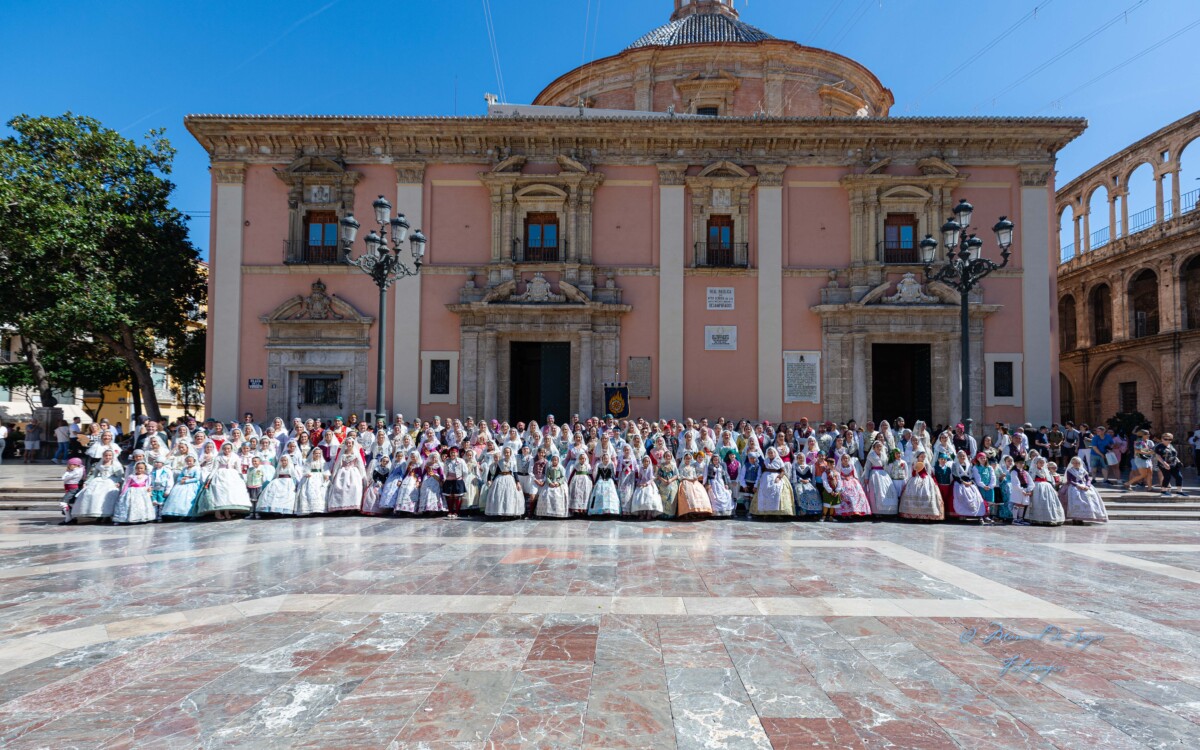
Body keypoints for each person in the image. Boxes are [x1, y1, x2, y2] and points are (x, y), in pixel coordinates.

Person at [73, 449, 123, 522]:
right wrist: (87, 482)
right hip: (99, 480)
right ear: (103, 456)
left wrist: (119, 482)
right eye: (106, 455)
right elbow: (94, 475)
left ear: (112, 456)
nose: (108, 457)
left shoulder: (116, 465)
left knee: (107, 494)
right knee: (92, 493)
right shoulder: (99, 464)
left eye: (110, 455)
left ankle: (107, 515)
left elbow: (120, 475)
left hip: (111, 480)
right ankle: (98, 514)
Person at [751, 446, 794, 519]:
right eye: (769, 453)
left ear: (775, 453)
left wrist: (779, 477)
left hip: (776, 476)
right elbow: (762, 470)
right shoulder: (766, 460)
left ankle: (777, 513)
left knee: (777, 491)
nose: (770, 454)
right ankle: (765, 512)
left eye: (772, 453)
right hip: (766, 478)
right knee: (763, 491)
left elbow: (783, 471)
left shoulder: (779, 460)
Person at [899, 450, 943, 521]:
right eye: (921, 456)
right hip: (916, 478)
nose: (923, 458)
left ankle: (927, 515)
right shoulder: (915, 463)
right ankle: (916, 514)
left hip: (926, 479)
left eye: (924, 456)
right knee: (915, 492)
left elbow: (929, 473)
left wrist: (933, 481)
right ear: (918, 457)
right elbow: (913, 474)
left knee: (927, 493)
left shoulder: (926, 463)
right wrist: (916, 470)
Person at [1064, 457, 1109, 524]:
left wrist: (1087, 486)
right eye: (1074, 463)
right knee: (1075, 496)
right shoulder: (1070, 471)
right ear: (1072, 463)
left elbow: (1088, 479)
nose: (1076, 464)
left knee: (1089, 496)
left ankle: (1083, 517)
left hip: (1084, 485)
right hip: (1074, 485)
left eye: (1078, 463)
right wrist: (1077, 485)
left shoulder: (1083, 470)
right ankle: (1075, 518)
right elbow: (1069, 480)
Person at [485, 445, 524, 519]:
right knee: (501, 496)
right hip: (500, 479)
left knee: (509, 496)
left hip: (509, 478)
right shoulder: (500, 462)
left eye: (508, 452)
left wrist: (517, 482)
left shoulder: (513, 462)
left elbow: (515, 473)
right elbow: (497, 472)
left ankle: (509, 513)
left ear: (510, 453)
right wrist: (492, 481)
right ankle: (502, 513)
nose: (506, 454)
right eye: (505, 452)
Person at [113, 461, 157, 525]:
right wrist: (123, 493)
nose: (139, 470)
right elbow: (126, 485)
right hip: (132, 491)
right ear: (135, 468)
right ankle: (130, 517)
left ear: (145, 469)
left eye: (141, 468)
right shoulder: (131, 476)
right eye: (138, 468)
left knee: (141, 504)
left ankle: (142, 517)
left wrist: (149, 490)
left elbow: (148, 485)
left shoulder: (146, 477)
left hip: (142, 492)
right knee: (132, 504)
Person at [675, 454, 713, 520]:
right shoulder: (682, 467)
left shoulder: (692, 467)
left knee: (700, 493)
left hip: (693, 482)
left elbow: (694, 475)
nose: (688, 460)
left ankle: (696, 512)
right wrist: (689, 479)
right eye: (686, 458)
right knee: (688, 495)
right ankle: (687, 513)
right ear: (684, 459)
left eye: (689, 459)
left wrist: (695, 478)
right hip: (685, 482)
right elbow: (680, 476)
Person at [950, 451, 986, 521]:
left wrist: (970, 482)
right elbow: (955, 475)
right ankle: (962, 514)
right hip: (959, 482)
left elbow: (972, 475)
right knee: (960, 495)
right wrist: (963, 482)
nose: (962, 457)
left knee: (976, 496)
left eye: (964, 456)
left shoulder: (969, 464)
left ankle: (977, 514)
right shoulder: (955, 464)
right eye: (961, 456)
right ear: (958, 457)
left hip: (969, 483)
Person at [834, 452, 871, 519]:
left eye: (847, 458)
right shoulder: (839, 467)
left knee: (859, 493)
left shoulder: (851, 466)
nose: (845, 459)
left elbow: (855, 475)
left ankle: (855, 511)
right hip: (842, 481)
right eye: (844, 458)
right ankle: (844, 513)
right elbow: (837, 476)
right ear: (841, 460)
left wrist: (854, 480)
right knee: (844, 494)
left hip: (852, 481)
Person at [630, 454, 663, 520]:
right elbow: (640, 477)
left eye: (647, 461)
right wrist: (638, 483)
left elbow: (651, 478)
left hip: (649, 484)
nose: (646, 463)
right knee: (639, 497)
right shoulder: (641, 468)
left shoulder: (650, 468)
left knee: (649, 497)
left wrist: (646, 484)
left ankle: (649, 513)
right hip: (642, 483)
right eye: (644, 461)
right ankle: (642, 513)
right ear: (642, 462)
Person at [790, 453, 823, 518]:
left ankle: (812, 512)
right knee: (800, 492)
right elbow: (795, 476)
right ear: (797, 459)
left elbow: (809, 475)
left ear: (804, 458)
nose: (800, 459)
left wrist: (808, 480)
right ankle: (802, 512)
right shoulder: (794, 466)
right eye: (799, 458)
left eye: (801, 457)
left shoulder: (807, 466)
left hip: (807, 482)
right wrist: (801, 480)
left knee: (813, 492)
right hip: (799, 483)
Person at [537, 454, 570, 518]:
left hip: (558, 483)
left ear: (558, 461)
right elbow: (547, 476)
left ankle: (558, 512)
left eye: (556, 460)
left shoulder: (560, 468)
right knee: (547, 494)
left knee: (558, 495)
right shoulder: (549, 468)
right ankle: (547, 513)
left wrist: (559, 483)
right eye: (553, 460)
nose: (554, 461)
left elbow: (563, 477)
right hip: (551, 483)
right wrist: (549, 483)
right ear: (551, 461)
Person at [589, 452, 622, 517]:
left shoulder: (611, 465)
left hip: (609, 481)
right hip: (601, 481)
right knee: (600, 494)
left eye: (607, 458)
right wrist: (595, 483)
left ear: (608, 459)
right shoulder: (600, 465)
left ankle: (609, 510)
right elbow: (598, 475)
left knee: (609, 495)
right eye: (604, 458)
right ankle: (600, 510)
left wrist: (615, 482)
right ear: (602, 459)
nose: (605, 460)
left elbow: (613, 475)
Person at [58, 457, 85, 525]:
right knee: (71, 504)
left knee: (63, 503)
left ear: (76, 465)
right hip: (71, 488)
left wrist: (67, 472)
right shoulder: (77, 470)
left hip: (73, 489)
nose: (69, 466)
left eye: (70, 464)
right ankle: (73, 518)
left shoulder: (76, 471)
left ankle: (68, 519)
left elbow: (64, 478)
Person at [149, 456, 174, 522]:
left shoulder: (167, 471)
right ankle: (154, 516)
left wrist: (168, 489)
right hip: (154, 489)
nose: (156, 464)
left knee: (161, 503)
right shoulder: (153, 471)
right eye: (156, 462)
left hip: (162, 489)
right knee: (154, 503)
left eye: (158, 462)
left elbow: (170, 480)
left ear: (163, 463)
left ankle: (160, 516)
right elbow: (150, 479)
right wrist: (149, 487)